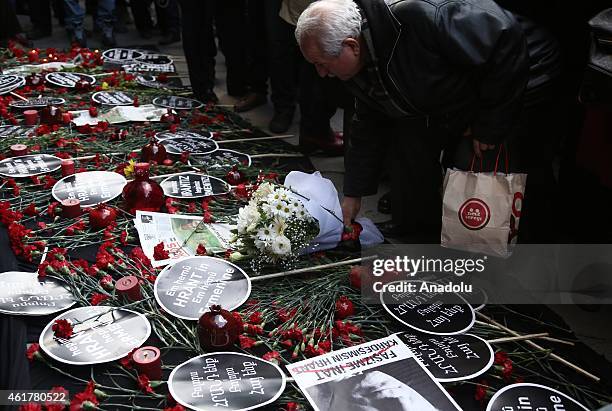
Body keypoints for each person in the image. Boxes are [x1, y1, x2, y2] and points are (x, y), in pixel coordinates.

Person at [296, 0, 561, 242]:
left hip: (521, 71)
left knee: (481, 166)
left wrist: (490, 124)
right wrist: (353, 193)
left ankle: (494, 249)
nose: (322, 74)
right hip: (451, 87)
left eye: (323, 64)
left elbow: (506, 41)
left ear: (351, 46)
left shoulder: (420, 17)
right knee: (409, 148)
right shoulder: (359, 56)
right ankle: (418, 230)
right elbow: (368, 124)